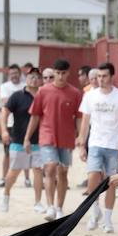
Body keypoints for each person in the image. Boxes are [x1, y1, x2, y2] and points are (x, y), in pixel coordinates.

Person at [77, 62, 118, 233]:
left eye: (104, 76)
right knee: (93, 176)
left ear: (111, 77)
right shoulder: (90, 96)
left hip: (114, 145)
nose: (101, 79)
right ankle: (95, 212)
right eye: (99, 76)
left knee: (111, 181)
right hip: (95, 143)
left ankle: (108, 219)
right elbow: (85, 122)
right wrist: (81, 144)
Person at [24, 59, 82, 221]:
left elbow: (79, 117)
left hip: (66, 138)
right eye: (58, 73)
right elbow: (35, 116)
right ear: (54, 73)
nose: (61, 76)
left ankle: (59, 207)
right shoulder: (43, 91)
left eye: (64, 73)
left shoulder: (75, 93)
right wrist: (27, 138)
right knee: (50, 168)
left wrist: (80, 137)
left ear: (68, 73)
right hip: (47, 136)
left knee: (62, 172)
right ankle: (50, 206)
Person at [0, 69, 41, 213]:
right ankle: (5, 194)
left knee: (38, 170)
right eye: (31, 77)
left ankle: (38, 202)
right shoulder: (17, 96)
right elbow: (5, 112)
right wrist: (4, 130)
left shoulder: (43, 95)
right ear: (26, 78)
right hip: (18, 139)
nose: (34, 79)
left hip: (39, 140)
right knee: (15, 171)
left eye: (37, 77)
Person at [0, 65, 23, 181]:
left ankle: (27, 178)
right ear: (9, 75)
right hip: (9, 123)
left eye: (16, 73)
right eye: (12, 73)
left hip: (23, 123)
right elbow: (5, 102)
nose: (14, 75)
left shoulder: (25, 86)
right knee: (7, 153)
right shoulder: (4, 86)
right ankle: (3, 177)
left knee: (24, 152)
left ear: (20, 73)